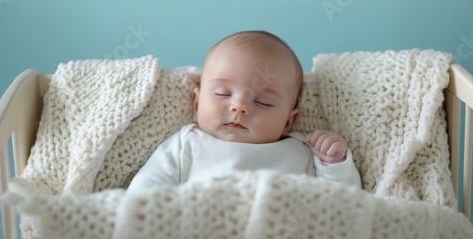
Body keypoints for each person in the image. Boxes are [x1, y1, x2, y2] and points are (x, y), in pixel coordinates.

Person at [127, 31, 361, 192]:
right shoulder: (186, 144)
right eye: (222, 93)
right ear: (197, 102)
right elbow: (147, 188)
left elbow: (341, 201)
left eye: (263, 102)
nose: (239, 107)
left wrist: (335, 162)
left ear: (289, 121)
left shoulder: (300, 152)